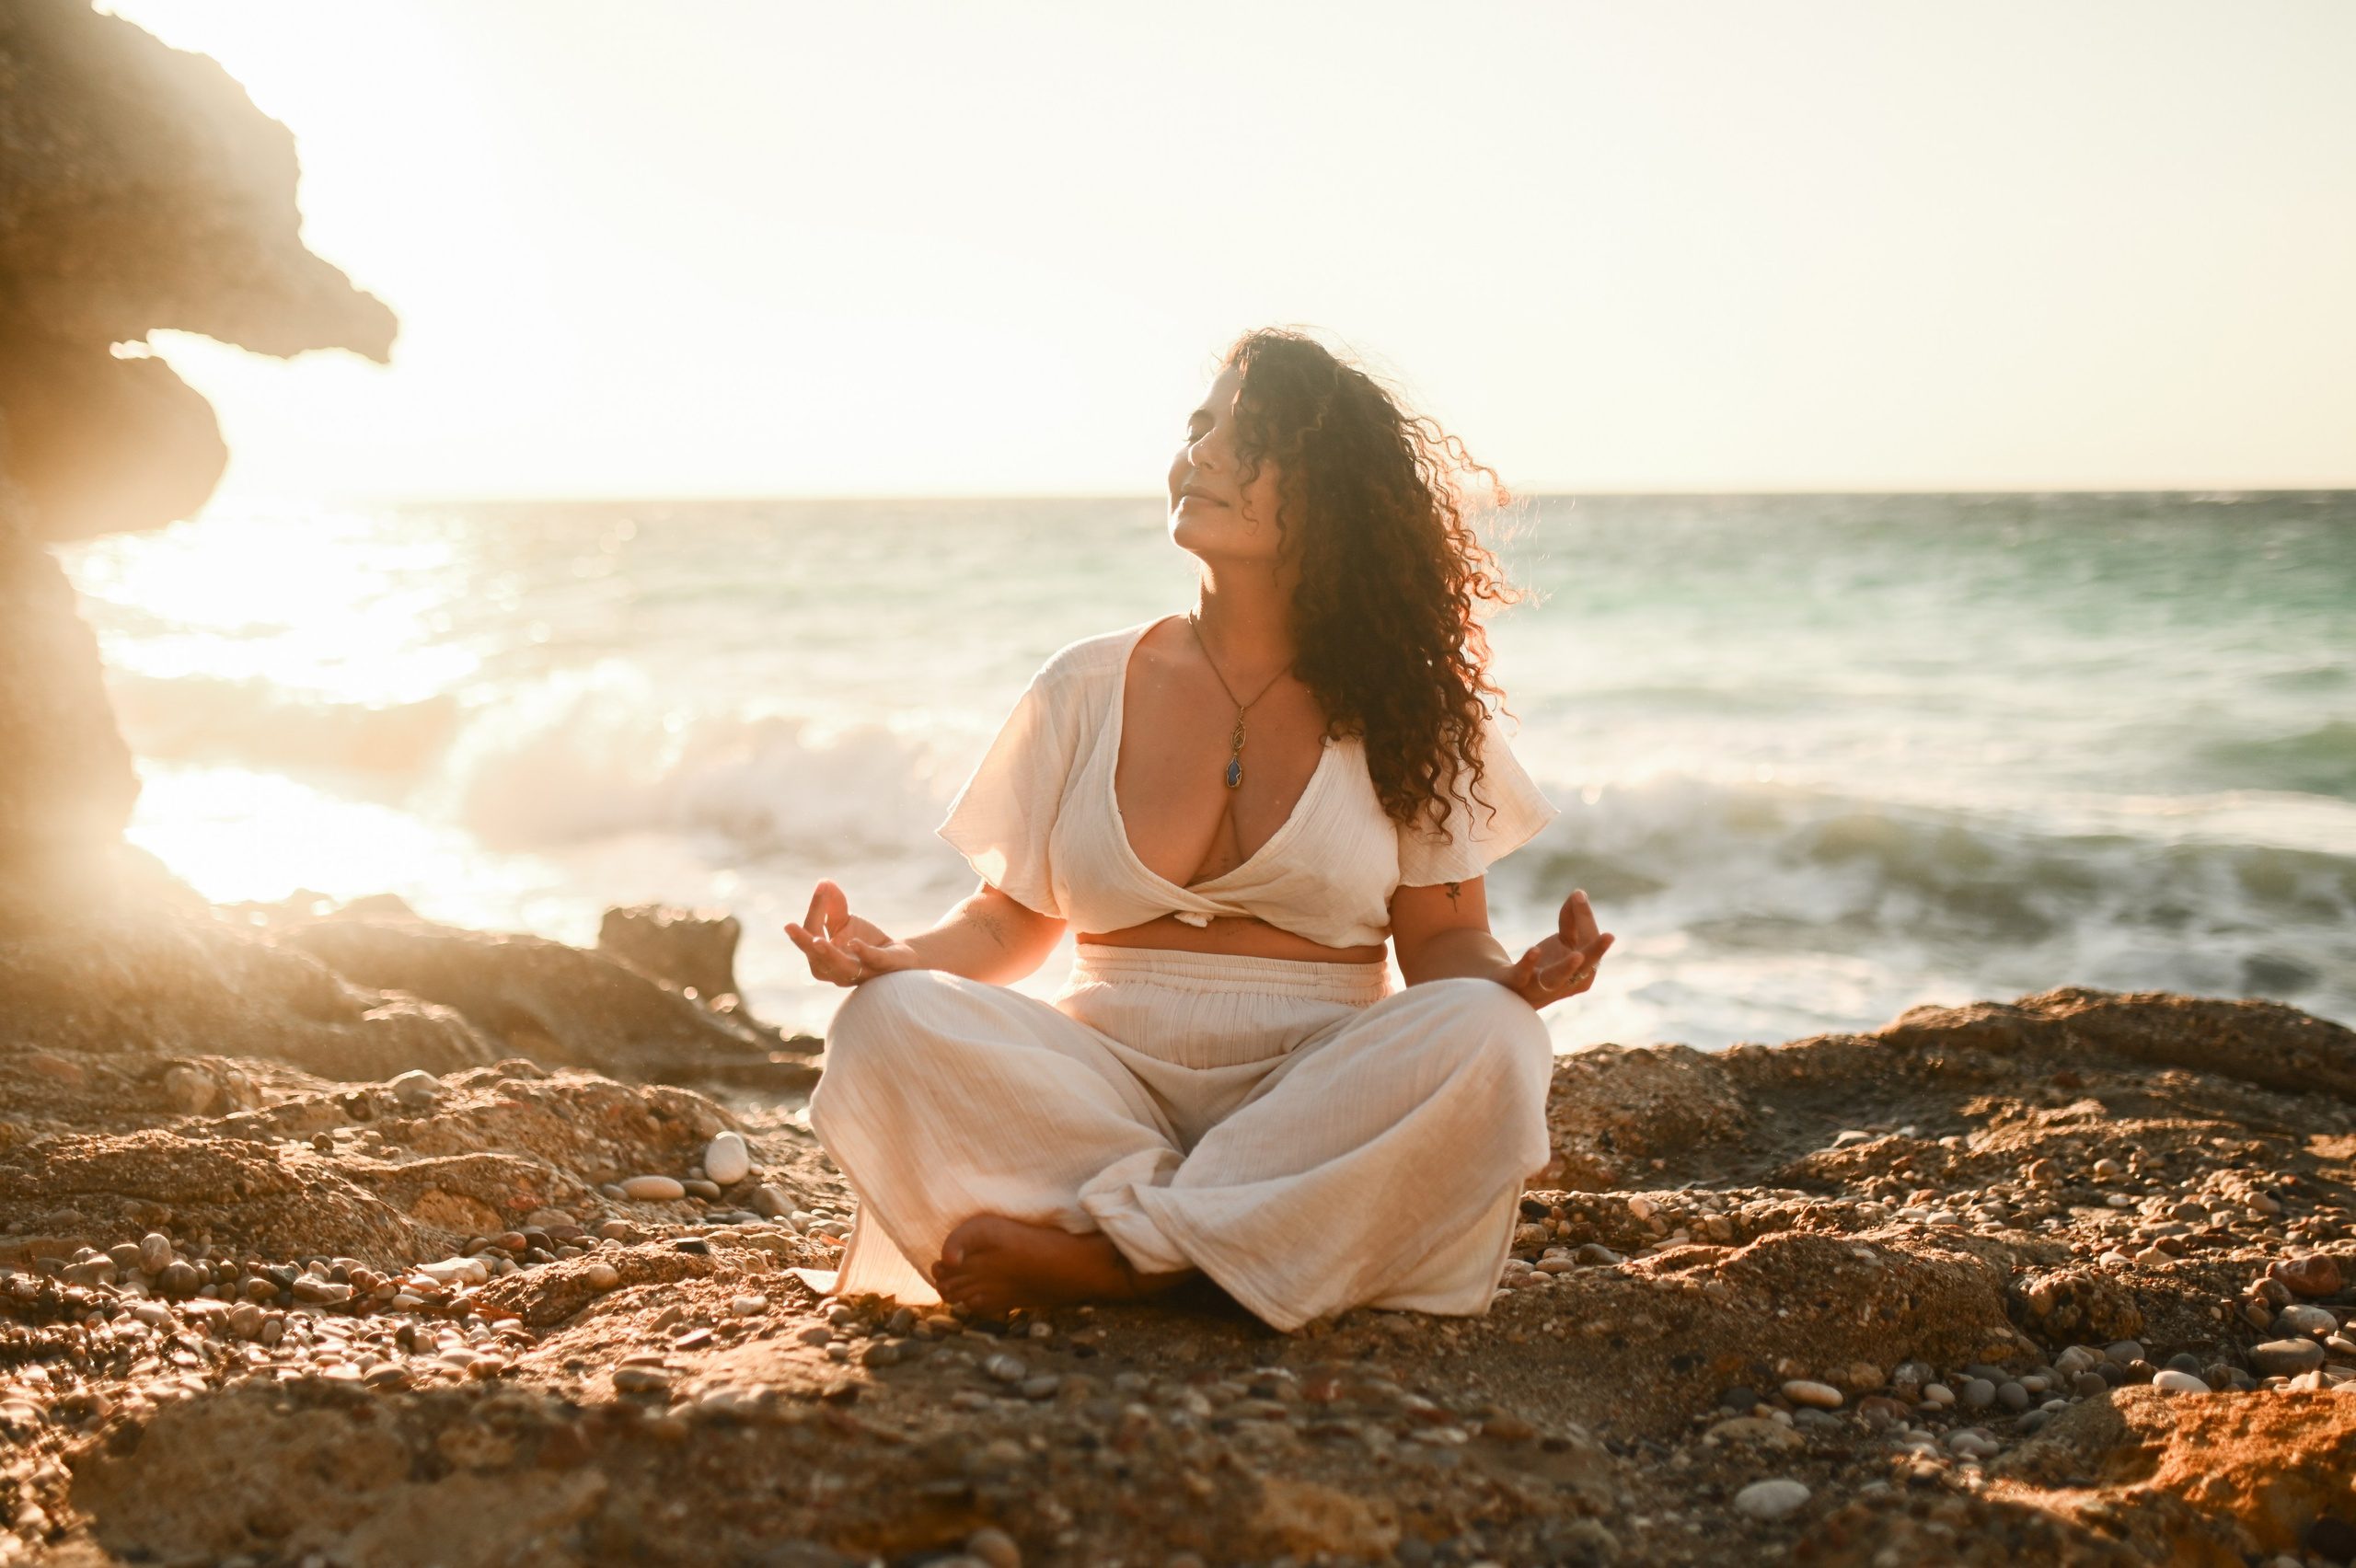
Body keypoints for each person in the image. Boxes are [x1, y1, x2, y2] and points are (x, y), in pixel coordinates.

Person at [791, 329, 1613, 1331]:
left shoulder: (1412, 707)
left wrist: (1518, 983)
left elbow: (1441, 943)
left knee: (1494, 1038)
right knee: (886, 1020)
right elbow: (1010, 926)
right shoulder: (1084, 685)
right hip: (1102, 1093)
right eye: (1198, 428)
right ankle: (1223, 1239)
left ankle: (1127, 1261)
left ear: (1334, 495)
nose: (1202, 457)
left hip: (1313, 1094)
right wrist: (893, 955)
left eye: (1249, 438)